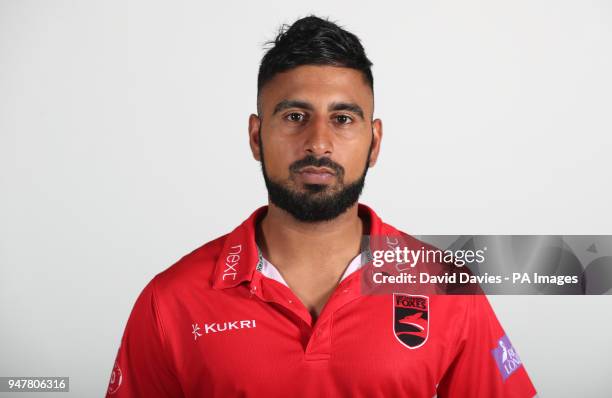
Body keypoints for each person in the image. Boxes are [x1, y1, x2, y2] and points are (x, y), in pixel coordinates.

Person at [106, 15, 538, 397]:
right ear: (256, 137)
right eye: (295, 116)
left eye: (343, 119)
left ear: (375, 142)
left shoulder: (447, 288)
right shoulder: (171, 301)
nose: (318, 142)